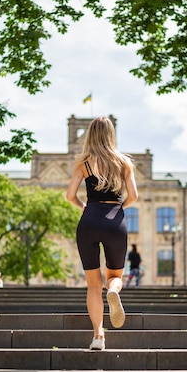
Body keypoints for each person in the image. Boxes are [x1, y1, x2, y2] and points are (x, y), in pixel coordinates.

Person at [66, 116, 138, 350]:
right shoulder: (124, 162)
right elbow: (134, 196)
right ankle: (114, 292)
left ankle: (99, 336)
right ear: (111, 134)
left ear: (90, 135)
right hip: (114, 221)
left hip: (89, 221)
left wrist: (83, 207)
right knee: (114, 276)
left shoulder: (83, 162)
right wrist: (119, 208)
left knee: (92, 285)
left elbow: (70, 196)